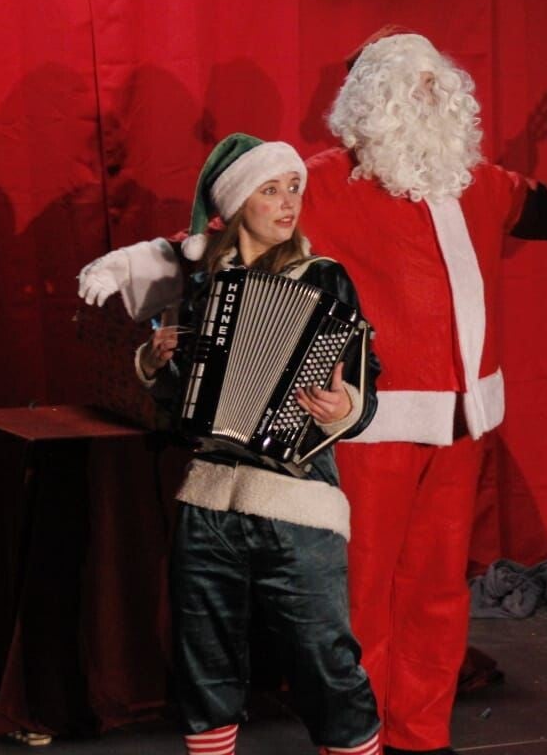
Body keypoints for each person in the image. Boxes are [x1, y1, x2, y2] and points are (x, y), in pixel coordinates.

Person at [80, 30, 547, 755]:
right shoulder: (323, 181)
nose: (427, 97)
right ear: (371, 100)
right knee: (357, 595)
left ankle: (421, 737)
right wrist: (136, 266)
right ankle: (357, 739)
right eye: (410, 85)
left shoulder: (480, 182)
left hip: (462, 424)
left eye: (435, 84)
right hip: (367, 423)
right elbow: (225, 236)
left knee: (437, 591)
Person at [136, 133, 382, 755]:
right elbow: (183, 416)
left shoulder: (323, 276)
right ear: (237, 202)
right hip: (209, 505)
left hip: (295, 504)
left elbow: (364, 381)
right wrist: (155, 366)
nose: (288, 202)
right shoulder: (201, 286)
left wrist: (345, 407)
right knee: (203, 668)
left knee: (327, 666)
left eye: (294, 188)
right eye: (271, 190)